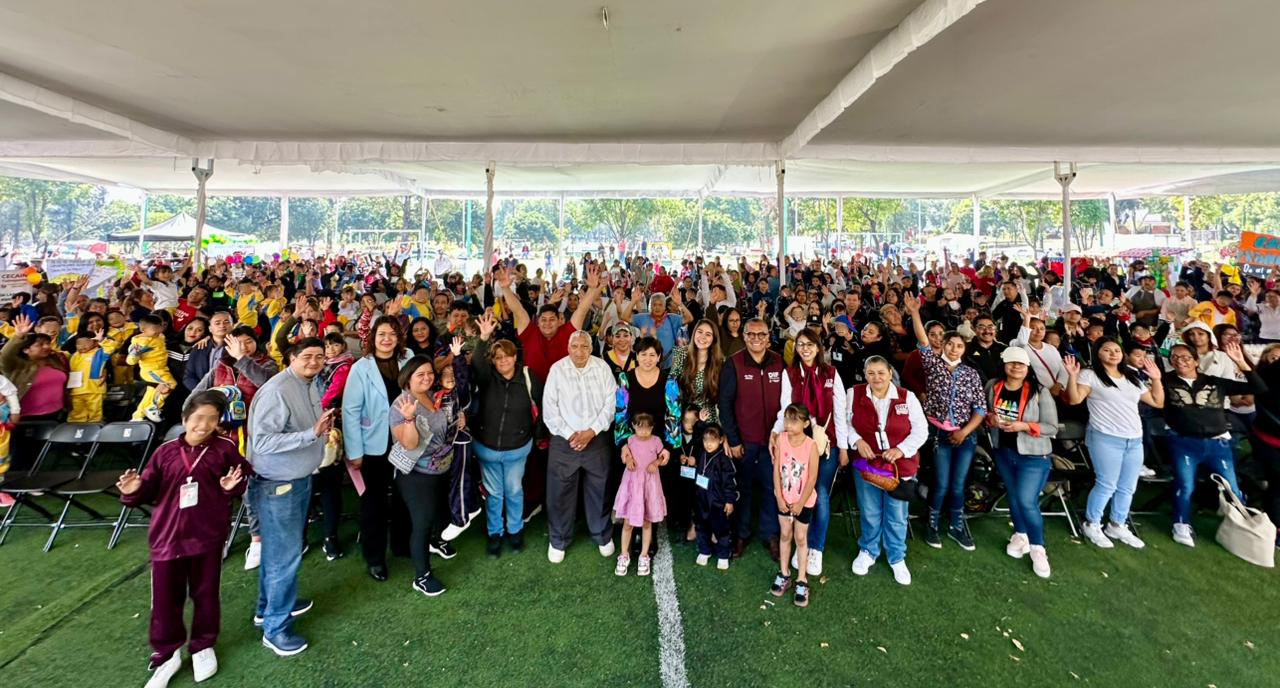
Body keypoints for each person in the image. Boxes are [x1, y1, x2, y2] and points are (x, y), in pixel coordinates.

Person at [117, 391, 249, 688]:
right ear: (185, 418)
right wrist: (132, 490)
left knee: (206, 594)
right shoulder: (164, 453)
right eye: (199, 418)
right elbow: (146, 490)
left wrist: (230, 487)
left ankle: (203, 645)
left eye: (212, 420)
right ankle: (167, 652)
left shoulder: (225, 449)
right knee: (165, 599)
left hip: (207, 536)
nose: (204, 426)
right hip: (168, 538)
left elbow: (241, 480)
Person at [245, 338, 333, 657]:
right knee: (285, 555)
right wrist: (312, 434)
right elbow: (264, 442)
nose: (314, 361)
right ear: (291, 358)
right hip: (278, 483)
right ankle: (276, 628)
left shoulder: (309, 383)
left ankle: (267, 608)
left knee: (279, 551)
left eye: (319, 357)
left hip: (297, 478)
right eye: (307, 356)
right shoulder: (277, 389)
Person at [1160, 341, 1265, 547]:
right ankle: (1180, 523)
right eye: (1175, 357)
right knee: (1185, 484)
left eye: (1185, 357)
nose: (1180, 361)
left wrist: (1241, 362)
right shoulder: (1165, 380)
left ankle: (1242, 525)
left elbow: (1259, 388)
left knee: (1232, 488)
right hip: (1184, 442)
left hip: (1218, 443)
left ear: (1196, 361)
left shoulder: (1215, 382)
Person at [1063, 340, 1164, 550]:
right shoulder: (1089, 375)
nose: (1113, 354)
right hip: (1105, 437)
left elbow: (1157, 402)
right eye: (1107, 350)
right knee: (1107, 484)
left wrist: (1156, 380)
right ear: (1098, 353)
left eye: (1117, 350)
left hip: (1134, 439)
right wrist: (1072, 376)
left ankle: (1117, 524)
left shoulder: (1132, 377)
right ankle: (1092, 523)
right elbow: (1074, 400)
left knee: (1128, 486)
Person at [905, 297, 986, 550]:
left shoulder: (971, 374)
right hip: (939, 434)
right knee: (940, 483)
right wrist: (915, 313)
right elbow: (923, 341)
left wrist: (965, 431)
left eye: (958, 345)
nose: (953, 349)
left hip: (965, 436)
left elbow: (981, 408)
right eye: (949, 344)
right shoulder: (933, 365)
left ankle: (956, 526)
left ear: (964, 348)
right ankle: (932, 525)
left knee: (958, 484)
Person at [769, 328, 847, 576]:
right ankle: (799, 540)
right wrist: (774, 431)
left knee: (818, 491)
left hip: (825, 443)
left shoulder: (831, 374)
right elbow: (785, 410)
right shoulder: (789, 374)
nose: (805, 348)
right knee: (797, 488)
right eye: (800, 344)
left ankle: (815, 547)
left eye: (810, 344)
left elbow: (840, 412)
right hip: (797, 441)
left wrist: (843, 448)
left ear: (818, 346)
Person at [342, 316, 412, 582]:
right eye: (382, 334)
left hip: (405, 440)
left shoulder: (408, 359)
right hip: (374, 445)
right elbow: (350, 411)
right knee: (374, 503)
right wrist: (355, 451)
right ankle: (375, 557)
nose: (387, 339)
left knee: (406, 495)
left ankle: (402, 545)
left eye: (392, 334)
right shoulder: (361, 367)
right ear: (372, 337)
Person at [848, 356, 928, 586]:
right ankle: (868, 551)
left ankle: (896, 557)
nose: (876, 378)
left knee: (896, 513)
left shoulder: (906, 397)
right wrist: (857, 441)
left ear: (890, 374)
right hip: (868, 464)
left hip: (898, 466)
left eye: (881, 373)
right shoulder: (854, 393)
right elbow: (846, 423)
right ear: (865, 375)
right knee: (870, 509)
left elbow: (921, 430)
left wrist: (901, 450)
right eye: (871, 373)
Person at [387, 356, 464, 597]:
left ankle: (436, 541)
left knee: (439, 512)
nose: (427, 378)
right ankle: (422, 576)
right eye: (420, 374)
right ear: (408, 378)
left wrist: (460, 421)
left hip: (441, 468)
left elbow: (446, 427)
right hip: (415, 474)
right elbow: (409, 444)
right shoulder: (401, 404)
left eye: (430, 373)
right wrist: (409, 418)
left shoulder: (435, 396)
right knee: (422, 522)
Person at [542, 330, 617, 563]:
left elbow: (611, 403)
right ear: (568, 348)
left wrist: (592, 431)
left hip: (596, 440)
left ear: (591, 348)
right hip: (565, 442)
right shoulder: (557, 369)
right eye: (575, 347)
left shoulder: (602, 368)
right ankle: (559, 539)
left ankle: (601, 534)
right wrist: (571, 435)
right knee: (560, 491)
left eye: (584, 347)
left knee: (600, 489)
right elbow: (549, 408)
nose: (580, 352)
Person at [472, 312, 541, 558]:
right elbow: (478, 365)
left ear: (515, 357)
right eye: (497, 357)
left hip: (518, 447)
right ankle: (494, 533)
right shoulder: (487, 378)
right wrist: (484, 338)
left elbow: (539, 407)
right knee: (494, 493)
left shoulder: (527, 377)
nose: (502, 361)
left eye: (506, 356)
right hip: (487, 448)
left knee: (514, 490)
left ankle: (515, 530)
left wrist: (538, 436)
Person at [985, 347, 1058, 578]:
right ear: (1004, 364)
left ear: (1028, 368)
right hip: (1004, 452)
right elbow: (985, 413)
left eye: (1021, 364)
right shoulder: (993, 386)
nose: (1016, 367)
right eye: (1012, 363)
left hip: (1034, 456)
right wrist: (990, 419)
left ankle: (1038, 548)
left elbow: (1052, 427)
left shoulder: (1039, 391)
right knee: (1014, 497)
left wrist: (1025, 426)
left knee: (1027, 501)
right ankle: (1020, 534)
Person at [718, 317, 785, 560]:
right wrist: (733, 439)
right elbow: (724, 403)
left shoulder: (779, 362)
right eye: (751, 334)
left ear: (769, 337)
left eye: (762, 334)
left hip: (773, 442)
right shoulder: (733, 363)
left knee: (771, 488)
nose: (756, 338)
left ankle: (770, 536)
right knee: (742, 489)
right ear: (744, 336)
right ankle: (741, 534)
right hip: (744, 442)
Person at [770, 403, 819, 608]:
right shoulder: (781, 439)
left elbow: (812, 478)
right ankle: (784, 573)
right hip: (783, 498)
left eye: (794, 421)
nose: (788, 425)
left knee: (800, 537)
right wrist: (779, 497)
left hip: (803, 501)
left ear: (806, 423)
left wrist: (800, 503)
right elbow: (776, 469)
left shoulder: (811, 445)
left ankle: (802, 579)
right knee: (784, 535)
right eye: (787, 420)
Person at [612, 413, 669, 576]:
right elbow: (626, 456)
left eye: (647, 428)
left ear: (652, 428)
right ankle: (624, 554)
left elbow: (662, 456)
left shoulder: (656, 441)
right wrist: (628, 460)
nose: (644, 432)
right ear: (634, 426)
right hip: (633, 485)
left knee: (646, 522)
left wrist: (656, 463)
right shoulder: (630, 440)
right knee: (628, 523)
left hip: (649, 485)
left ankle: (644, 555)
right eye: (640, 428)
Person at [1, 314, 69, 422]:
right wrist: (18, 336)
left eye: (48, 343)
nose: (46, 346)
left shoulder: (56, 360)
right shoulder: (16, 365)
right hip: (25, 418)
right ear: (26, 350)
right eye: (40, 345)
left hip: (57, 415)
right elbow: (4, 356)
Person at [692, 423, 737, 570]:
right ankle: (705, 550)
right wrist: (702, 423)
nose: (708, 444)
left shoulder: (724, 460)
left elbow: (730, 482)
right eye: (706, 440)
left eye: (712, 440)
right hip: (701, 500)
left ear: (721, 440)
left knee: (721, 529)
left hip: (718, 503)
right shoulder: (701, 454)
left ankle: (723, 554)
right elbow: (697, 435)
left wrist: (730, 501)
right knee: (701, 526)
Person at [129, 313, 177, 421]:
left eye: (160, 328)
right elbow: (130, 361)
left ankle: (137, 416)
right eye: (154, 330)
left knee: (151, 393)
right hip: (151, 370)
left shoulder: (159, 335)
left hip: (161, 369)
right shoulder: (140, 343)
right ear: (143, 329)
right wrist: (134, 354)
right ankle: (153, 407)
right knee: (170, 384)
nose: (158, 332)